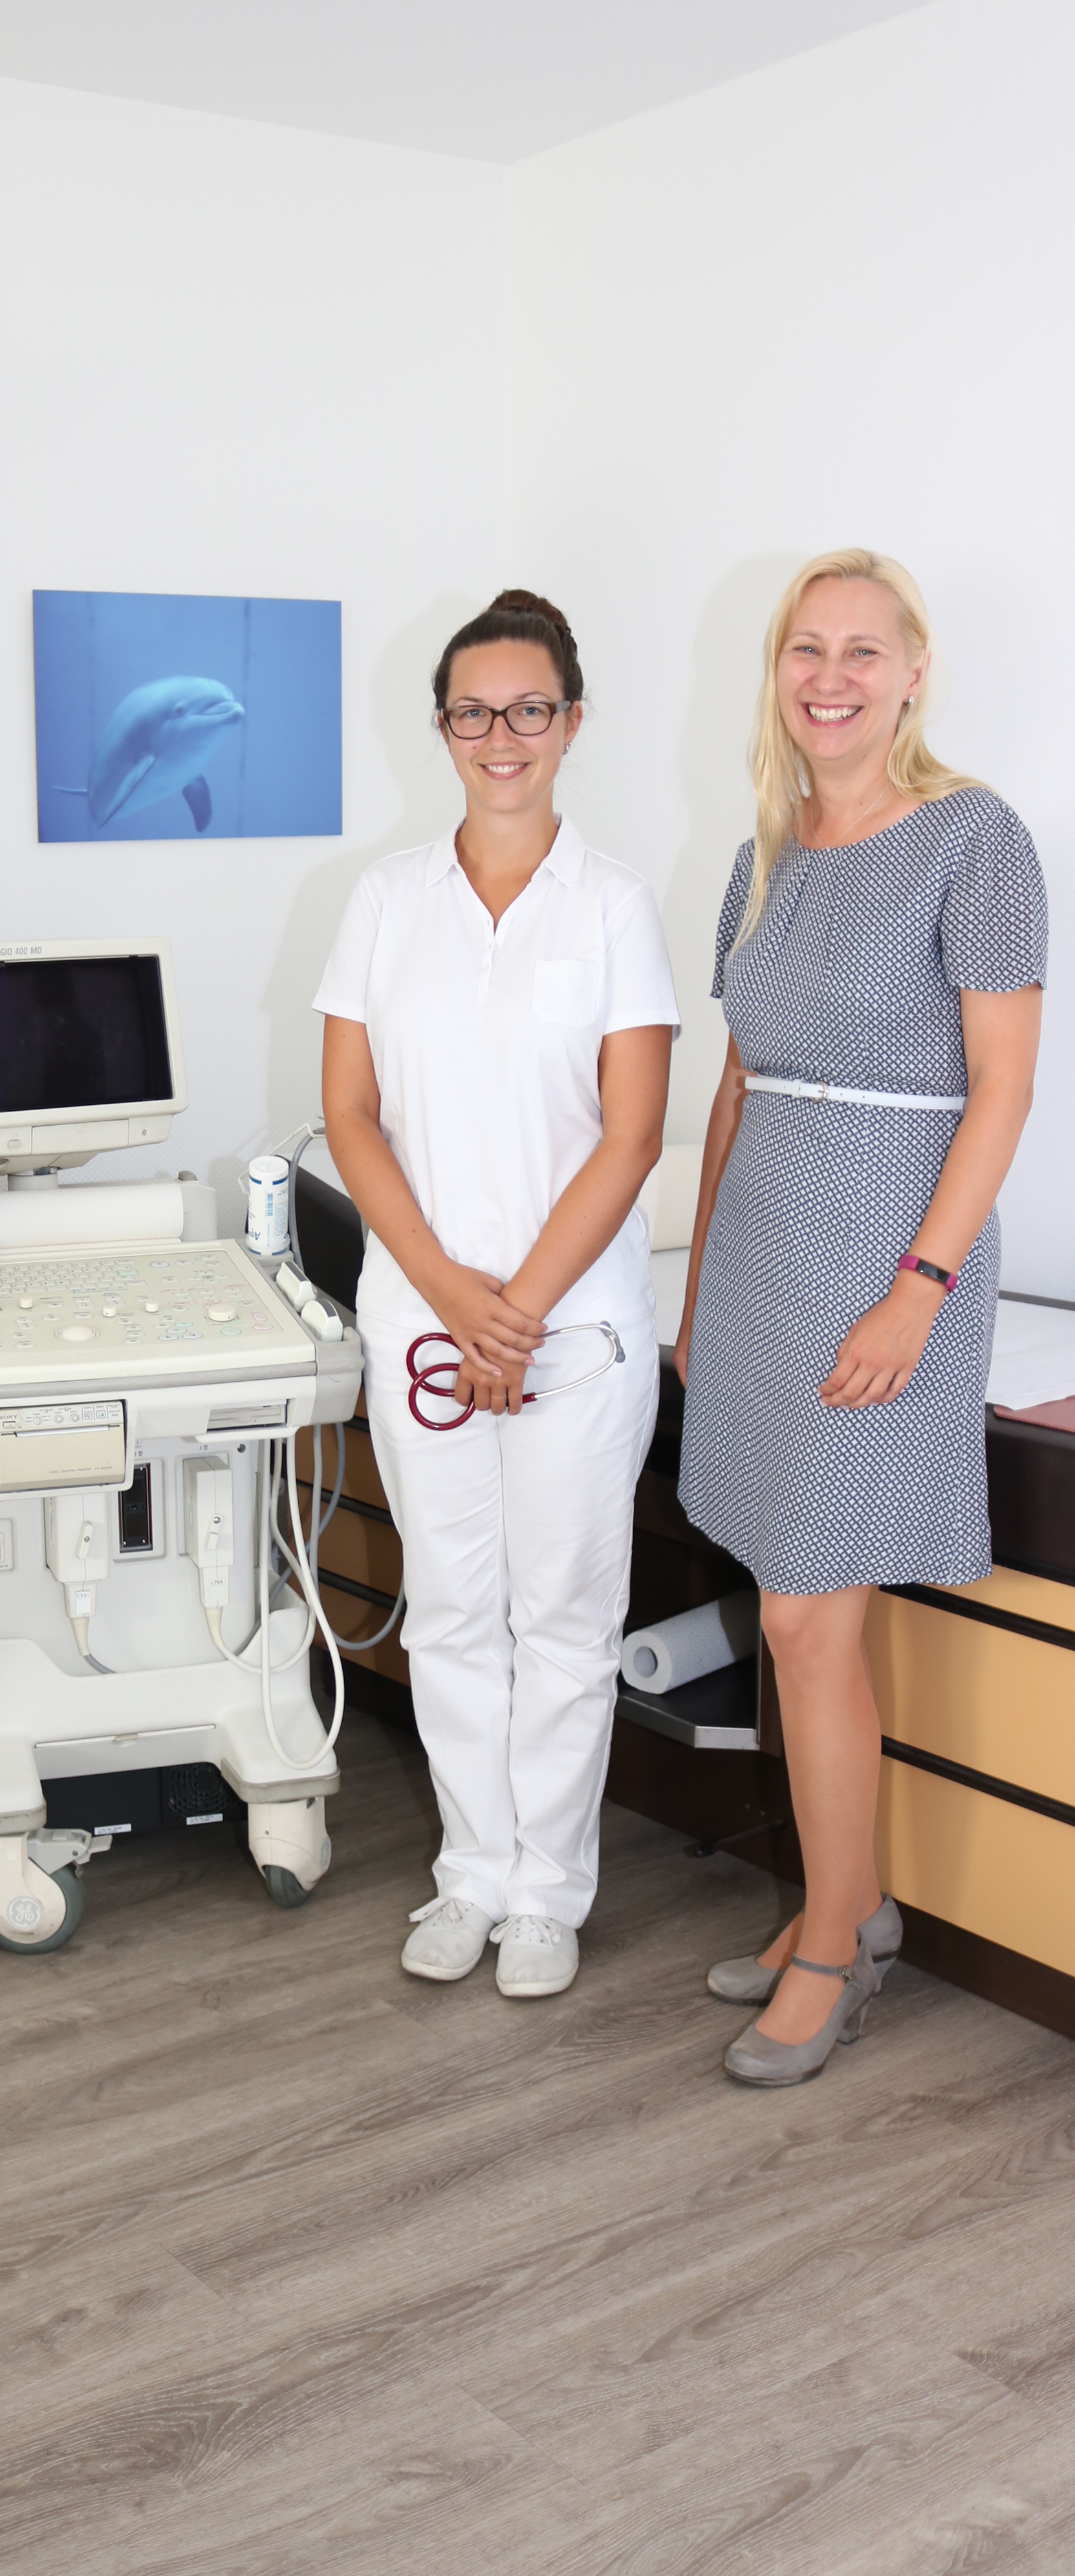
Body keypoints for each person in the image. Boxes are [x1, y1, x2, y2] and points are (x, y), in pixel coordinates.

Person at [675, 550, 1045, 2087]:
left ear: (910, 674)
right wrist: (696, 1282)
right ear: (776, 674)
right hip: (762, 1268)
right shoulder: (761, 854)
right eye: (801, 650)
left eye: (860, 651)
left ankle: (835, 1943)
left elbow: (1003, 1091)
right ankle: (847, 1893)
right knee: (789, 1597)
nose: (827, 676)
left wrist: (919, 1288)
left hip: (888, 1269)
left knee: (805, 1617)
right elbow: (735, 1086)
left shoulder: (975, 840)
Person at [318, 590, 678, 1998]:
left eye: (528, 709)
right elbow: (350, 1115)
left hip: (571, 1330)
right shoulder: (382, 901)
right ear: (441, 729)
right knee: (455, 1610)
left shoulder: (611, 906)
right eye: (473, 711)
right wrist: (447, 1295)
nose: (500, 735)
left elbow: (631, 1131)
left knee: (563, 1616)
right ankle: (469, 1871)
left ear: (570, 724)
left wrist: (513, 1310)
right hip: (422, 1314)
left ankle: (546, 1891)